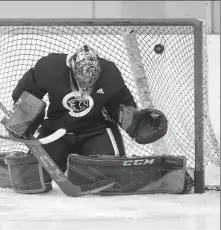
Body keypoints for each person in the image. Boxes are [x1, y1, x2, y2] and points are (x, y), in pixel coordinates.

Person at [11, 45, 169, 188]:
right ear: (72, 67)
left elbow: (121, 103)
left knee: (110, 172)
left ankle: (86, 166)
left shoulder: (110, 73)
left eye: (91, 78)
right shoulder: (50, 67)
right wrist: (22, 119)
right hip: (57, 131)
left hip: (95, 130)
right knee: (32, 177)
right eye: (82, 77)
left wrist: (135, 121)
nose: (87, 82)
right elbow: (27, 92)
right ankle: (10, 166)